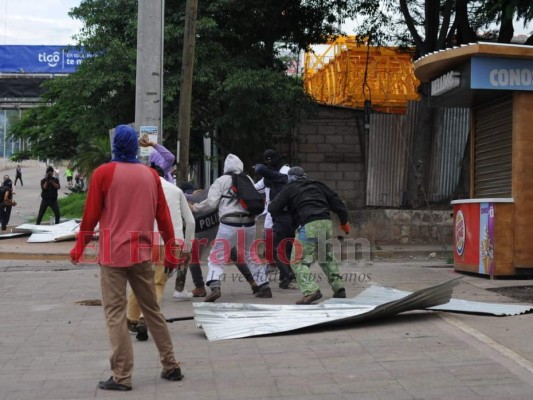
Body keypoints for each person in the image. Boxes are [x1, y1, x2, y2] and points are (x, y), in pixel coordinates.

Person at [69, 124, 183, 391]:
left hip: (113, 256)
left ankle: (122, 376)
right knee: (152, 310)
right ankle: (171, 366)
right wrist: (170, 251)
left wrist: (79, 247)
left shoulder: (104, 174)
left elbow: (91, 215)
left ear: (114, 146)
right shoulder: (150, 175)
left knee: (115, 314)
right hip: (142, 254)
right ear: (135, 147)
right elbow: (163, 217)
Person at [126, 164, 195, 341]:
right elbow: (190, 221)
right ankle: (144, 318)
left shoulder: (137, 191)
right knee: (158, 284)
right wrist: (187, 247)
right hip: (172, 242)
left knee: (139, 281)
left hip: (144, 242)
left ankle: (132, 318)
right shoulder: (176, 190)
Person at [189, 154, 271, 302]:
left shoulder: (221, 181)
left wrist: (194, 208)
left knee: (216, 257)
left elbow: (211, 204)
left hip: (230, 224)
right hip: (249, 224)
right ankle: (264, 286)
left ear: (225, 168)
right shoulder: (248, 179)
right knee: (250, 254)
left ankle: (215, 287)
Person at [268, 166, 350, 304]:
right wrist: (343, 222)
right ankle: (338, 288)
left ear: (291, 178)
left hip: (309, 225)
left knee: (297, 261)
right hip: (326, 223)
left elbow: (274, 208)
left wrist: (271, 205)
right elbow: (339, 204)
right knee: (326, 258)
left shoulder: (290, 187)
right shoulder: (318, 185)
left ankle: (311, 290)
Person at [254, 149, 296, 289]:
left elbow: (280, 179)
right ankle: (283, 271)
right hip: (270, 214)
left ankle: (287, 274)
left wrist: (264, 170)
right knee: (271, 245)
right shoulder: (268, 174)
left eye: (271, 159)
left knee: (284, 246)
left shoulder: (286, 171)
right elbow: (257, 188)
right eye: (267, 160)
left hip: (286, 214)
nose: (269, 162)